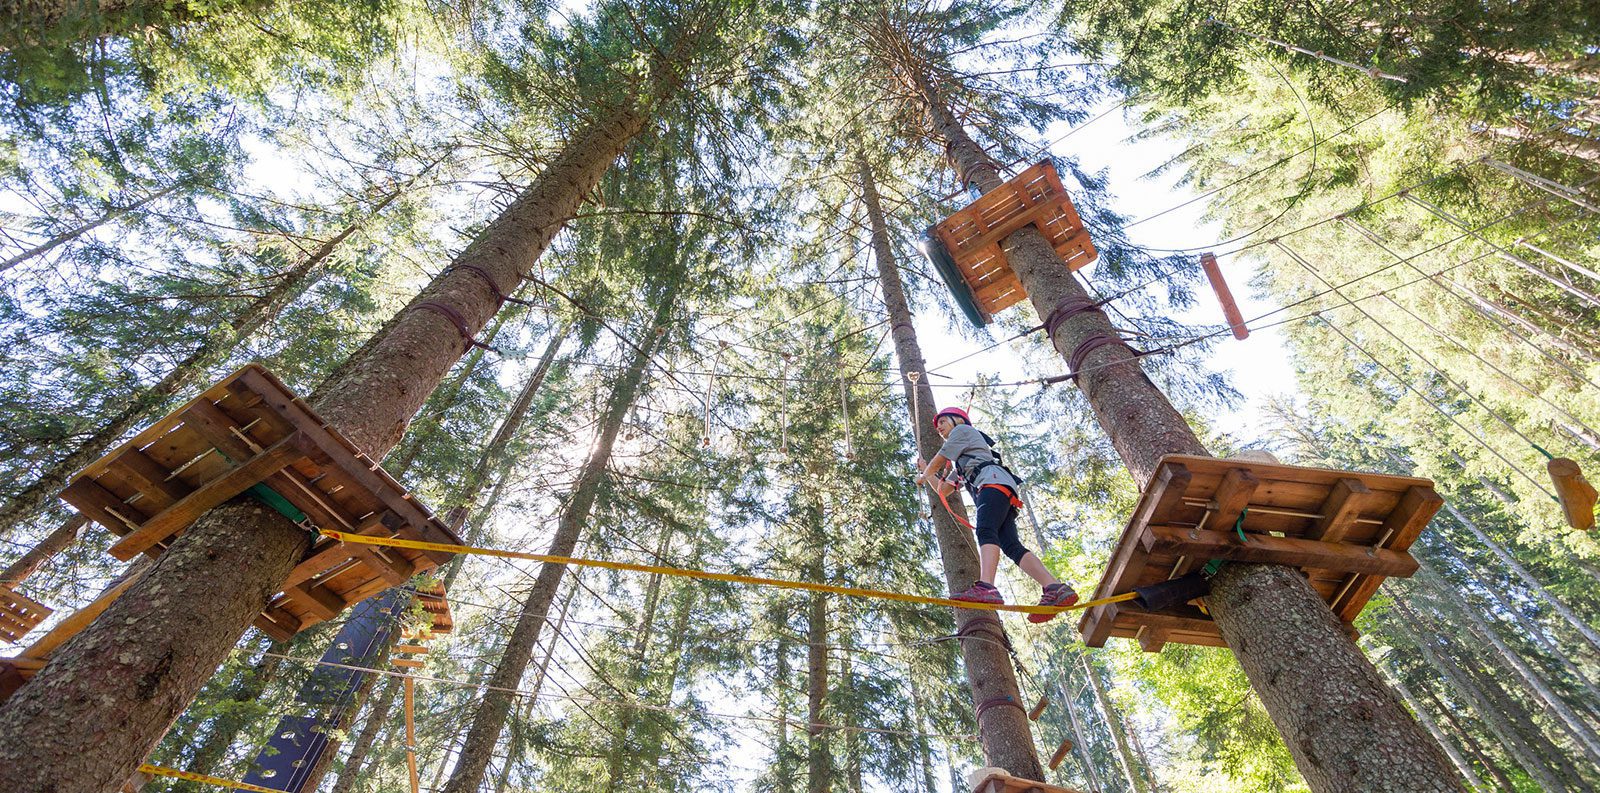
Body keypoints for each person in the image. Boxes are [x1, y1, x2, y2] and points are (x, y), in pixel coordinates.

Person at [913, 407, 1077, 622]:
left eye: (943, 421)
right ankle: (1055, 587)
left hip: (993, 483)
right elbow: (944, 490)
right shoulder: (964, 459)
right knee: (1010, 545)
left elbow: (942, 457)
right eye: (938, 426)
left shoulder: (961, 432)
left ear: (957, 420)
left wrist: (925, 474)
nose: (940, 428)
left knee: (985, 530)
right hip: (999, 487)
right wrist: (926, 471)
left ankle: (987, 587)